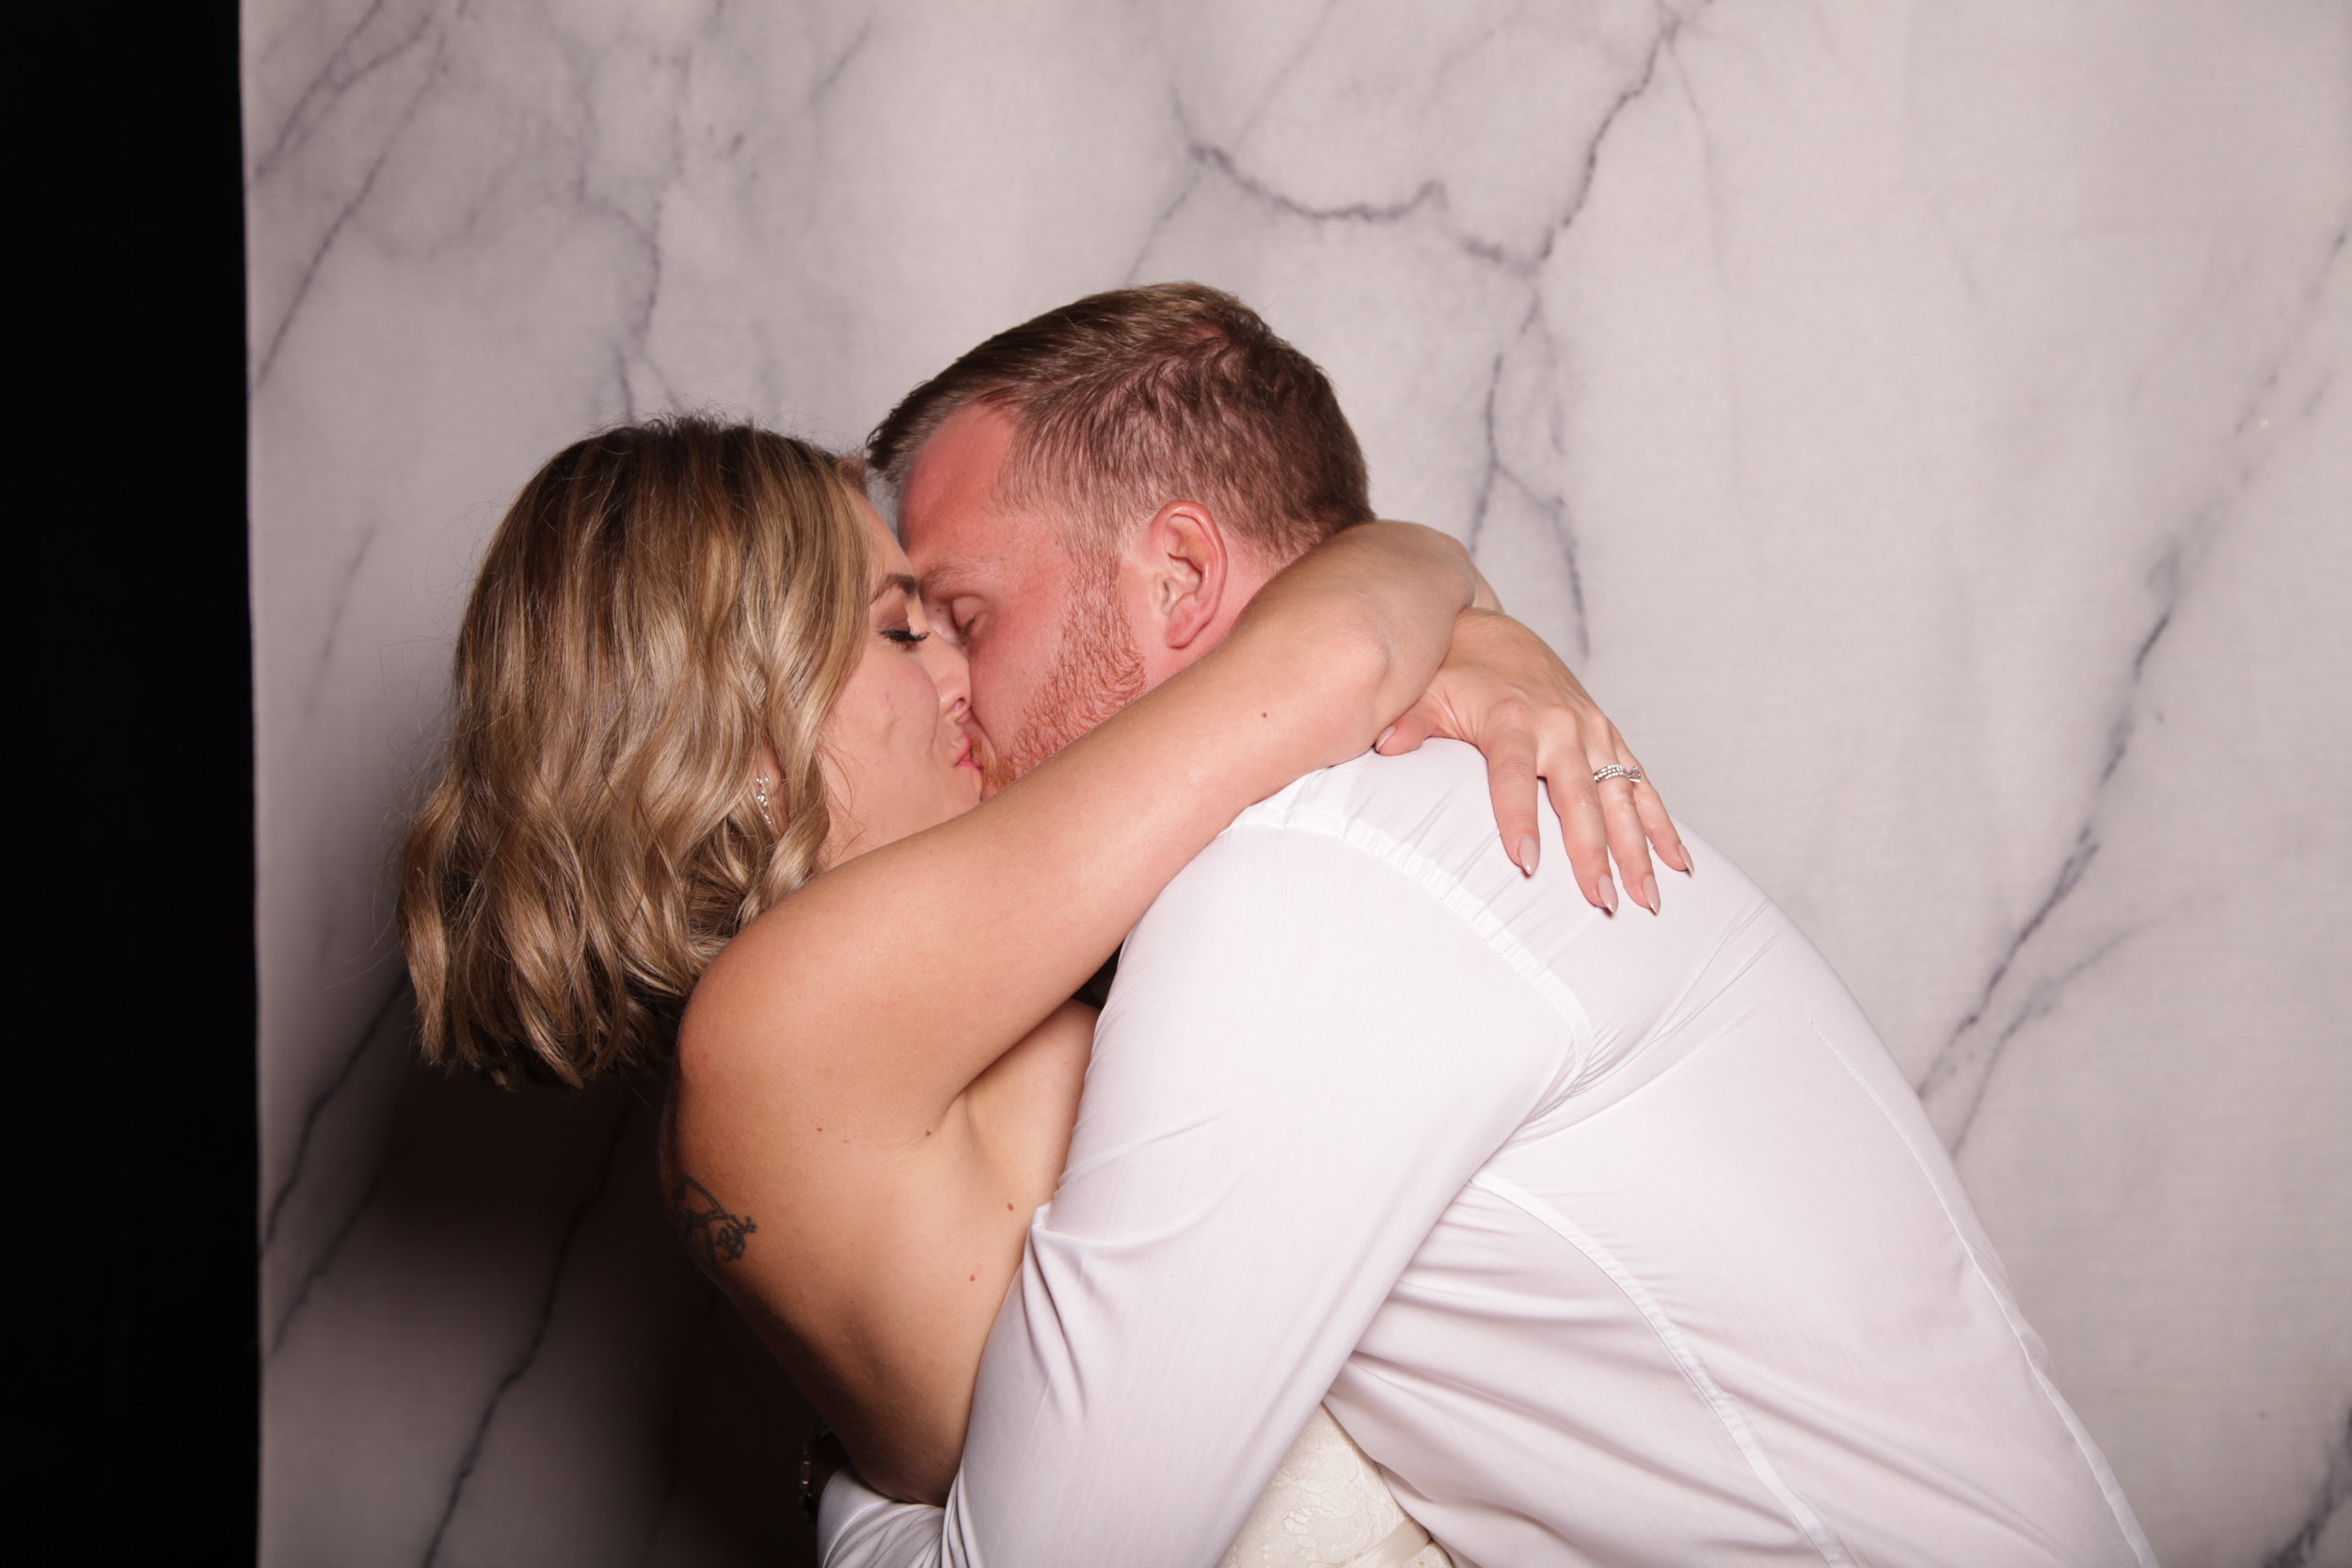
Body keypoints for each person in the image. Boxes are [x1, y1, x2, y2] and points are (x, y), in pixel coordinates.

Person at [784, 284, 2158, 1567]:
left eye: (962, 617)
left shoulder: (1299, 888)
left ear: (1181, 578)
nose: (942, 687)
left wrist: (854, 1467)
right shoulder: (1381, 821)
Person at [399, 412, 1649, 1564]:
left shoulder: (820, 1045)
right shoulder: (784, 1009)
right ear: (742, 734)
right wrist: (1449, 579)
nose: (958, 672)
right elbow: (1336, 654)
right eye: (900, 630)